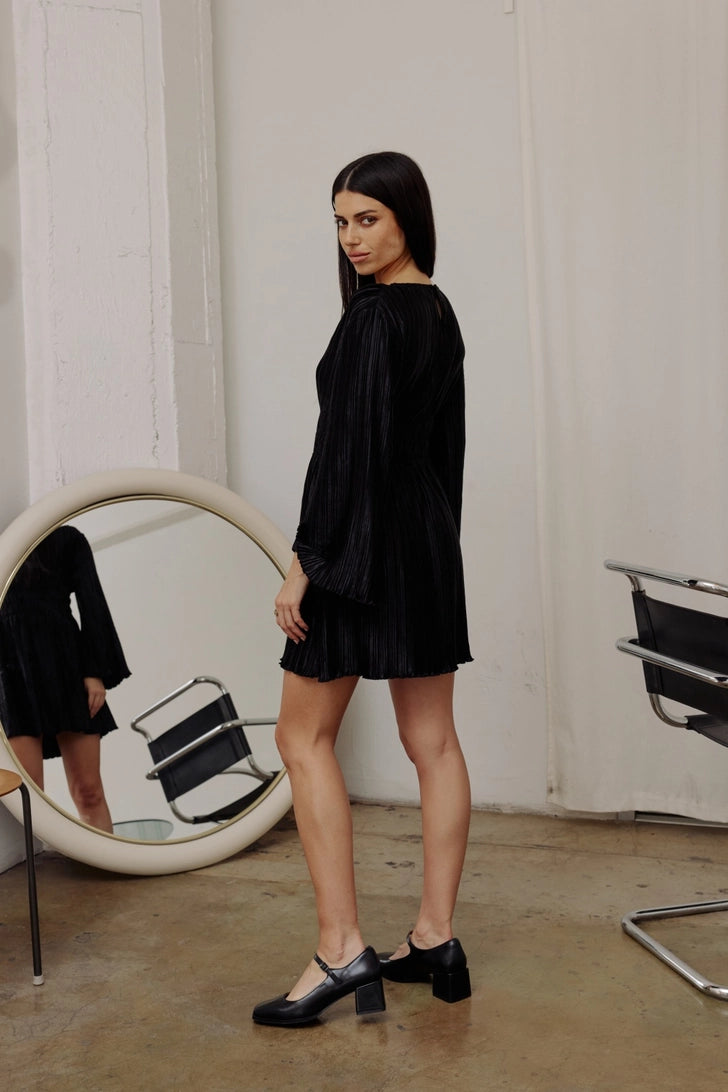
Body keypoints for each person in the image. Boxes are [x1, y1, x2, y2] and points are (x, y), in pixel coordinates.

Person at [252, 152, 472, 1028]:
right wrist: (439, 552)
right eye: (341, 222)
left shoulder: (374, 319)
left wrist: (304, 564)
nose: (351, 238)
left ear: (408, 216)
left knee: (301, 736)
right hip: (425, 544)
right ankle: (436, 938)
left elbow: (342, 456)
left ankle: (341, 949)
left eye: (368, 219)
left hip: (361, 547)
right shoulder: (438, 311)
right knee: (435, 742)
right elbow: (446, 452)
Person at [0, 525, 131, 833]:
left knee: (89, 791)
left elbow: (92, 601)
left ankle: (105, 859)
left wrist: (94, 671)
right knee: (28, 796)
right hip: (10, 671)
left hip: (66, 664)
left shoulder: (66, 538)